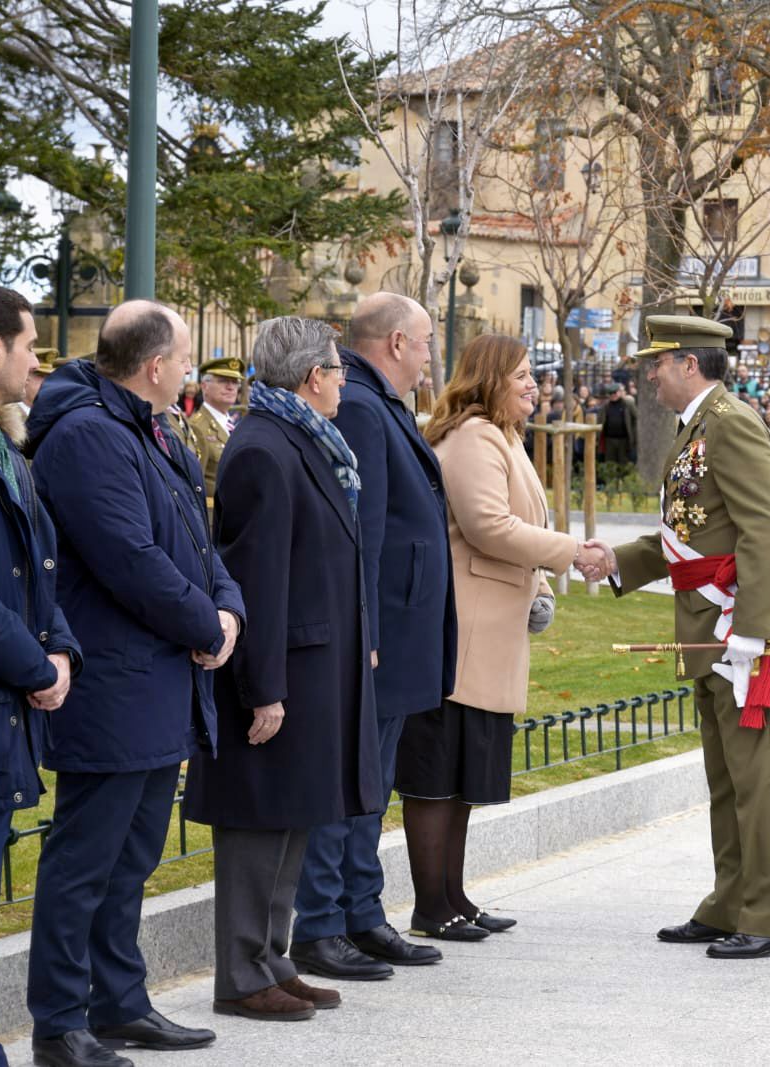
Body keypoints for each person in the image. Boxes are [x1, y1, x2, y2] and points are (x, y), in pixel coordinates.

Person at [26, 301, 244, 1067]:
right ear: (155, 366)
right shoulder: (89, 435)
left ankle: (119, 1004)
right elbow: (129, 557)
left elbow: (197, 539)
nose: (191, 369)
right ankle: (59, 1021)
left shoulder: (149, 427)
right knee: (85, 861)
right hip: (117, 684)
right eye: (185, 357)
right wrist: (205, 625)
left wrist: (229, 608)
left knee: (132, 859)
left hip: (158, 683)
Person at [579, 315, 770, 960]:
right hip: (712, 626)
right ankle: (730, 902)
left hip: (742, 629)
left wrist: (755, 632)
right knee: (728, 779)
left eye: (656, 362)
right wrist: (618, 559)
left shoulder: (730, 423)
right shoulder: (699, 427)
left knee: (760, 780)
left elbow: (768, 528)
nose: (648, 374)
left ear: (688, 363)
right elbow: (692, 536)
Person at [184, 317, 378, 1022]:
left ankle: (272, 957)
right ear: (310, 377)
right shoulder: (264, 448)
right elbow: (256, 580)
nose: (343, 379)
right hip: (279, 670)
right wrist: (263, 687)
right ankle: (241, 973)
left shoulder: (302, 439)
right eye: (337, 368)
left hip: (313, 663)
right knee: (259, 818)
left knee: (292, 813)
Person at [398, 335, 600, 940]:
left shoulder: (505, 435)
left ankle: (454, 896)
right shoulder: (473, 436)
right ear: (488, 378)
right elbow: (488, 526)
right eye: (520, 375)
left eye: (533, 375)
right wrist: (572, 553)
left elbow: (519, 523)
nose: (533, 385)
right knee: (438, 776)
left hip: (493, 628)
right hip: (465, 629)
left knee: (464, 775)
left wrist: (540, 583)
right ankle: (431, 906)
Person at [290, 292, 457, 980]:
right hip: (380, 629)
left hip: (397, 624)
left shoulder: (374, 400)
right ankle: (324, 922)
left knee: (373, 779)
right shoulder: (359, 403)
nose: (427, 357)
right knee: (351, 779)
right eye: (422, 344)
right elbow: (362, 532)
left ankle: (362, 911)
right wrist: (368, 630)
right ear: (393, 342)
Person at [0, 285, 81, 1067]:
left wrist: (61, 647)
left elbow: (41, 562)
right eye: (30, 342)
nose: (39, 358)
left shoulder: (1, 443)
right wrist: (36, 662)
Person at [188, 356, 244, 490]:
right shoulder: (197, 427)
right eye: (223, 381)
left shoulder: (233, 424)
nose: (230, 387)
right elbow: (195, 486)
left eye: (235, 382)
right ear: (204, 386)